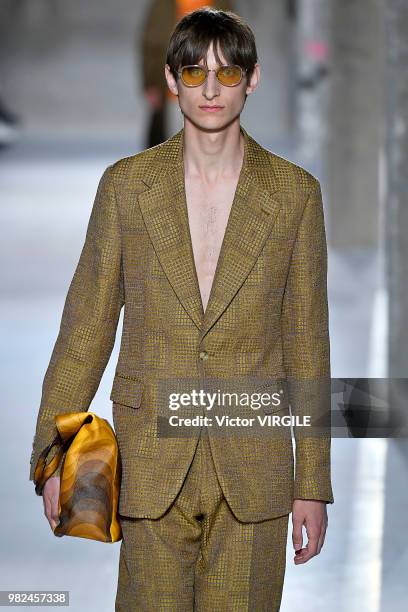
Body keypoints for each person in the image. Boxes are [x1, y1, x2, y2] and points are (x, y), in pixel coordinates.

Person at [30, 8, 334, 611]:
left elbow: (307, 344)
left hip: (255, 470)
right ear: (172, 81)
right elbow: (86, 324)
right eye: (196, 73)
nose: (213, 88)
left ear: (254, 79)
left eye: (229, 72)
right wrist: (53, 455)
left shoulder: (295, 195)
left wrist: (313, 483)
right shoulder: (127, 187)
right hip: (149, 461)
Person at [141, 0, 233, 146]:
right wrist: (151, 82)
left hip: (212, 90)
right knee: (175, 148)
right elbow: (151, 42)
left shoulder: (222, 3)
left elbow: (233, 43)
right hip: (175, 90)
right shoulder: (164, 4)